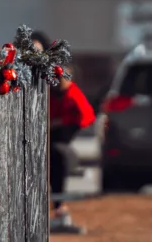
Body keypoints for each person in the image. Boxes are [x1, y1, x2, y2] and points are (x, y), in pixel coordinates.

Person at [49, 62, 95, 226]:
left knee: (57, 159)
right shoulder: (48, 92)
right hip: (46, 136)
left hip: (62, 138)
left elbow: (87, 116)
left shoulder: (72, 93)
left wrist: (62, 121)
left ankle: (59, 205)